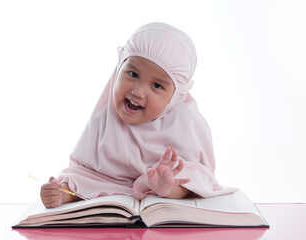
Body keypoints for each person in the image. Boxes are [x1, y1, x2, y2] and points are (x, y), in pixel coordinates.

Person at [40, 22, 236, 208]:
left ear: (174, 96)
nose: (138, 92)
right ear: (118, 69)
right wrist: (63, 193)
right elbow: (86, 175)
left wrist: (168, 187)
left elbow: (197, 178)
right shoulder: (106, 119)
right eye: (132, 74)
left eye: (157, 85)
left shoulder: (185, 124)